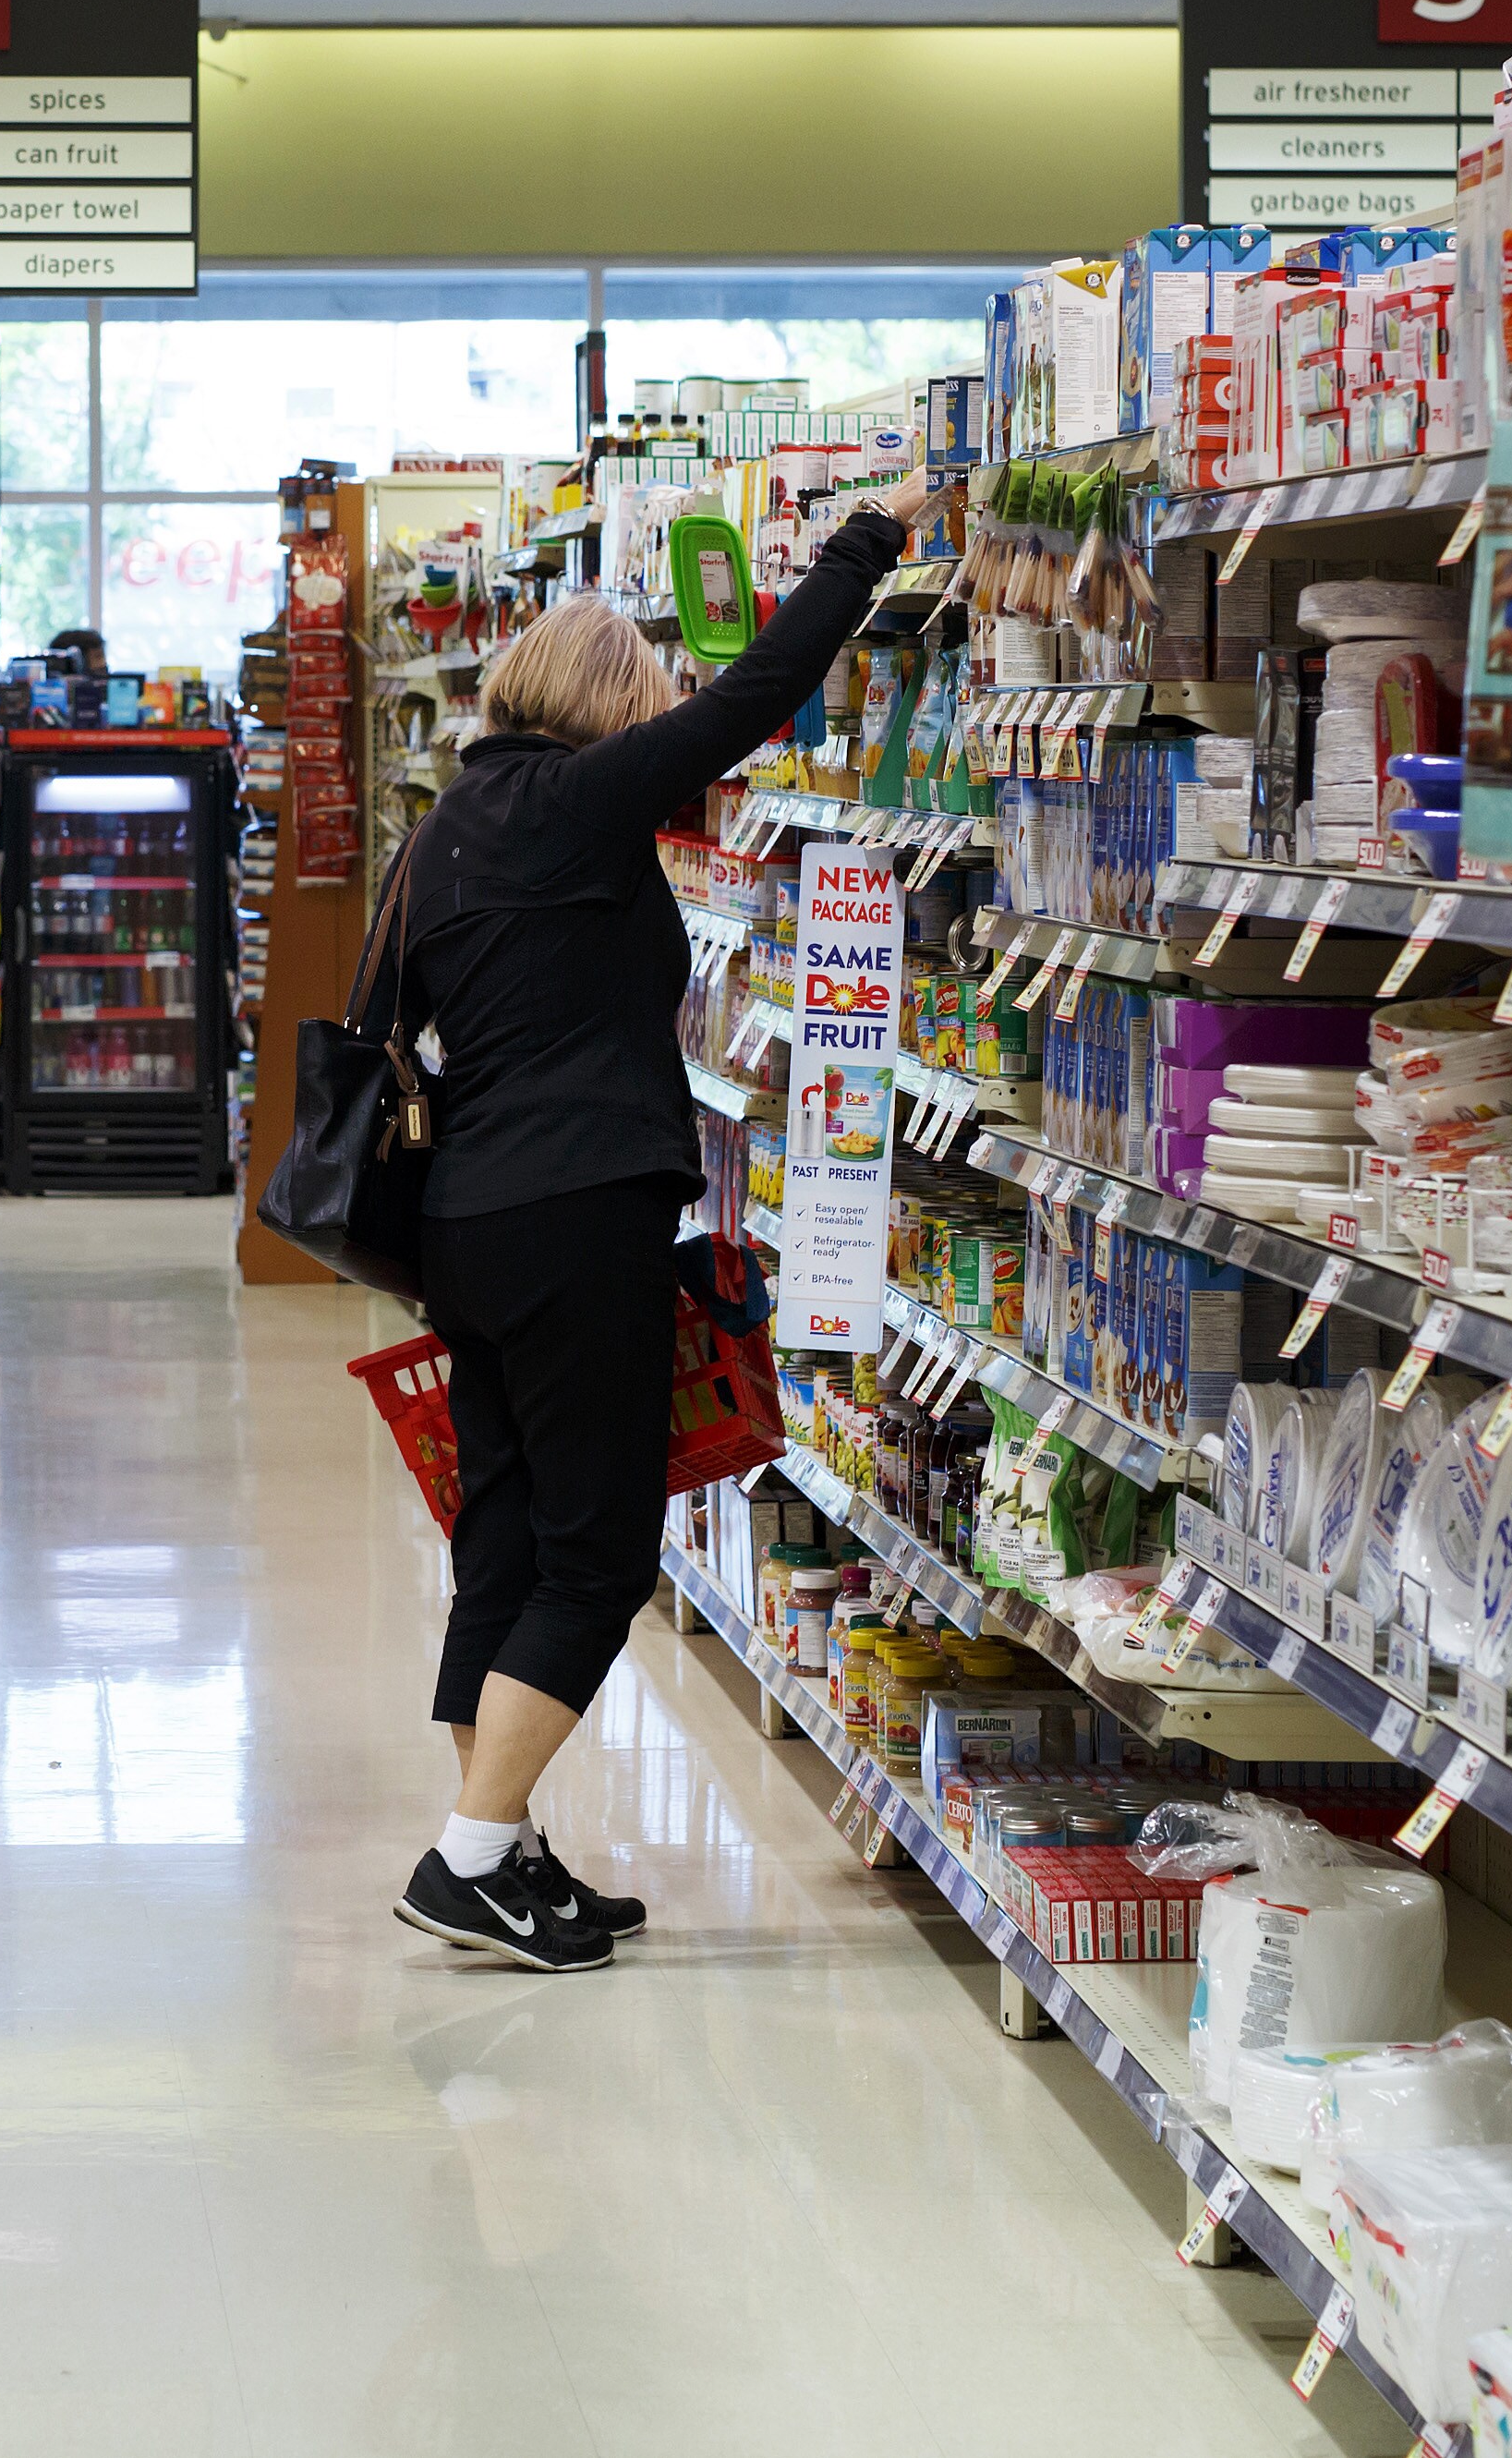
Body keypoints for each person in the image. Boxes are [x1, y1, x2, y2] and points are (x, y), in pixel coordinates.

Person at [384, 481, 931, 1971]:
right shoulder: (579, 801)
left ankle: (503, 1853)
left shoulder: (436, 837)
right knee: (600, 1547)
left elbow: (393, 1027)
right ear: (606, 710)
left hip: (463, 1228)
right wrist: (863, 546)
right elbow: (756, 696)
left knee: (500, 1536)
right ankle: (466, 1853)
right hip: (574, 1221)